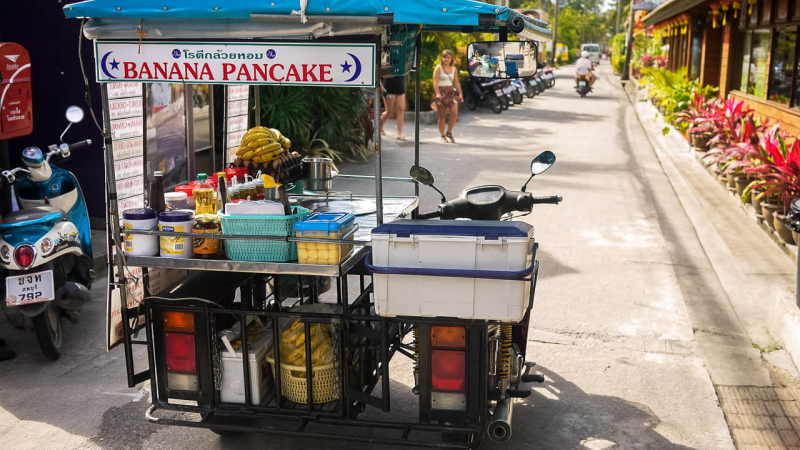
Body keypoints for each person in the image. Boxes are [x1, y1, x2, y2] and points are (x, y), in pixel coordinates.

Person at [432, 49, 464, 144]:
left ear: (451, 58)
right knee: (442, 115)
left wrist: (460, 93)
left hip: (450, 93)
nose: (446, 59)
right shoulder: (439, 68)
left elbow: (456, 82)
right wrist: (437, 93)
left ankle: (449, 133)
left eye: (448, 57)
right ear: (442, 58)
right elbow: (435, 82)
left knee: (454, 114)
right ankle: (442, 136)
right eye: (444, 57)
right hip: (441, 92)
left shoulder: (454, 69)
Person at [380, 75, 406, 140]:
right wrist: (381, 86)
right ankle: (379, 125)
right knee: (389, 111)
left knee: (401, 110)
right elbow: (380, 73)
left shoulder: (401, 64)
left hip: (400, 86)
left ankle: (399, 133)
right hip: (389, 87)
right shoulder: (385, 64)